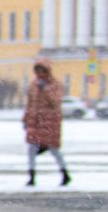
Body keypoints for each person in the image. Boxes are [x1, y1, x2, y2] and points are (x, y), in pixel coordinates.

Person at [22, 59, 71, 187]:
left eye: (42, 70)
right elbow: (29, 103)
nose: (39, 73)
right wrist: (25, 118)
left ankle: (65, 173)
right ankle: (31, 176)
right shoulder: (33, 85)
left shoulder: (54, 85)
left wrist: (46, 90)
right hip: (35, 122)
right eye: (37, 71)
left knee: (54, 149)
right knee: (31, 149)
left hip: (50, 122)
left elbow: (55, 102)